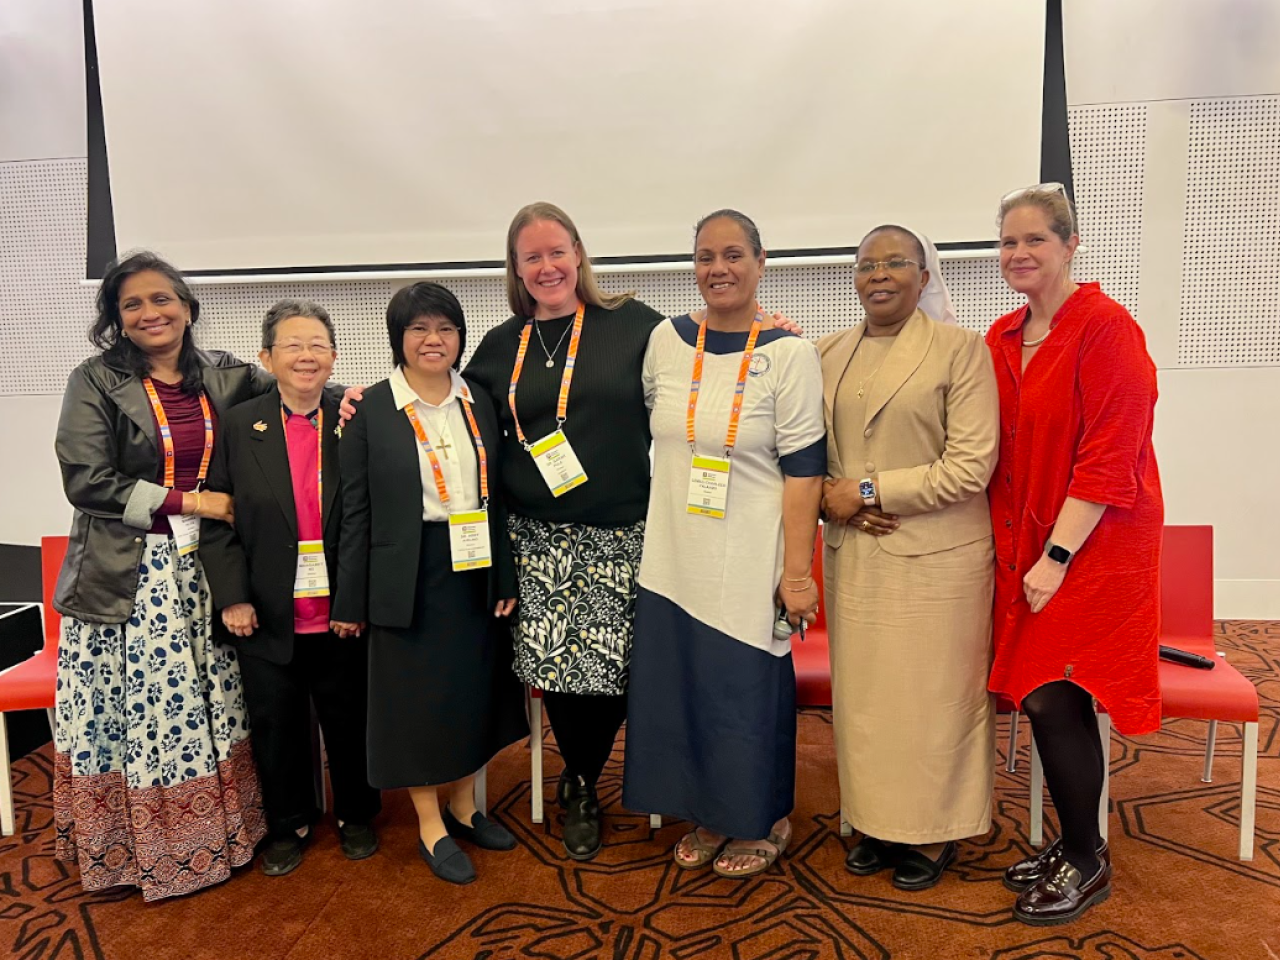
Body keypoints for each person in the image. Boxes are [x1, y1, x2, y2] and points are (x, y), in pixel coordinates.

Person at [51, 250, 268, 901]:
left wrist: (353, 404)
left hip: (207, 568)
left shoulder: (228, 376)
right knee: (140, 713)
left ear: (187, 307)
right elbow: (87, 481)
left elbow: (295, 389)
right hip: (129, 575)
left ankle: (218, 836)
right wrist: (190, 501)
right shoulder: (93, 381)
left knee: (211, 704)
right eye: (133, 304)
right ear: (116, 319)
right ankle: (132, 852)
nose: (151, 313)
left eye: (162, 299)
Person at [622, 209, 825, 879]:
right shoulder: (664, 341)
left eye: (734, 255)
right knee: (686, 689)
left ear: (761, 262)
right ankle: (710, 812)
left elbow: (804, 474)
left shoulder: (789, 354)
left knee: (744, 694)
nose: (720, 269)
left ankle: (764, 818)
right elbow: (656, 428)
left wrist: (797, 573)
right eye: (706, 256)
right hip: (676, 555)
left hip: (749, 557)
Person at [461, 202, 667, 860]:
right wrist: (353, 398)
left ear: (579, 253)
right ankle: (580, 782)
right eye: (532, 257)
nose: (547, 266)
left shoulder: (634, 325)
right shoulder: (499, 347)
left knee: (615, 671)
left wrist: (768, 330)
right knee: (561, 671)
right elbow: (451, 416)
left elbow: (703, 372)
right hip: (537, 540)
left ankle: (586, 768)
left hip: (620, 534)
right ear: (515, 270)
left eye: (557, 251)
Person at [986, 185, 1162, 925]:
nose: (1019, 254)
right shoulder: (1002, 335)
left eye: (1035, 241)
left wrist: (1055, 556)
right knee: (1042, 694)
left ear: (1070, 245)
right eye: (1007, 243)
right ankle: (1075, 843)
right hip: (1027, 542)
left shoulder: (1107, 327)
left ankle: (1088, 859)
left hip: (1092, 543)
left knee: (1056, 692)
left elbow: (1108, 458)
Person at [818, 225, 998, 891]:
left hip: (938, 559)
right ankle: (877, 822)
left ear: (924, 277)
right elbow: (810, 464)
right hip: (858, 556)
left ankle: (936, 831)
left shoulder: (961, 351)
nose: (880, 274)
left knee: (933, 701)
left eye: (897, 262)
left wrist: (867, 490)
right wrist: (831, 501)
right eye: (866, 264)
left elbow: (972, 466)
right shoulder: (827, 354)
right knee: (867, 704)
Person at [331, 282, 527, 885]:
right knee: (414, 703)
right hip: (405, 571)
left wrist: (503, 569)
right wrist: (351, 598)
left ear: (459, 336)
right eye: (418, 329)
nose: (432, 340)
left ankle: (466, 806)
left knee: (470, 691)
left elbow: (500, 499)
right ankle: (429, 824)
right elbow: (355, 508)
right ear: (399, 339)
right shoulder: (370, 411)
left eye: (444, 328)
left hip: (472, 562)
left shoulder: (480, 401)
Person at [200, 300, 381, 876]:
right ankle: (288, 822)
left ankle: (357, 814)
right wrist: (233, 595)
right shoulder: (238, 423)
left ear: (334, 357)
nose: (306, 356)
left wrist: (356, 601)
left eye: (318, 345)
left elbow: (370, 517)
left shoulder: (356, 418)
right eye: (292, 345)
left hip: (341, 608)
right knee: (275, 723)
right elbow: (217, 519)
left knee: (349, 719)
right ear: (266, 358)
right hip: (266, 609)